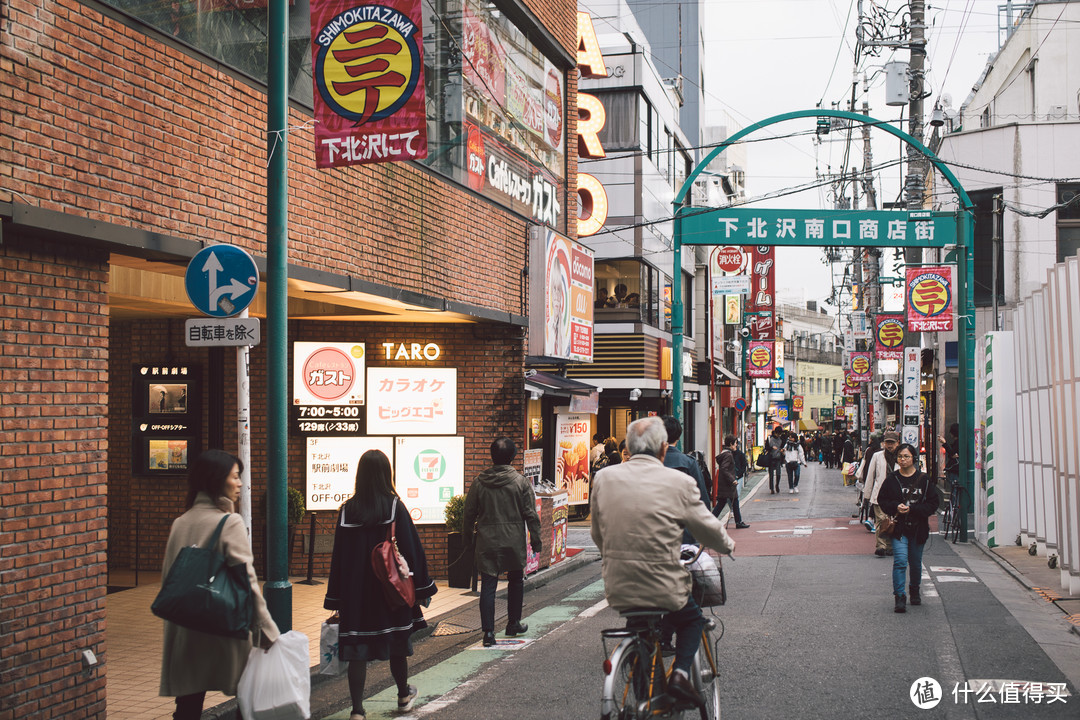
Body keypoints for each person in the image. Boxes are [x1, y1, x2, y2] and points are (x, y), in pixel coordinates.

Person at [590, 417, 736, 707]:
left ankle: (645, 699)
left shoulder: (604, 478)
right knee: (693, 620)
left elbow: (598, 533)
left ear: (628, 448)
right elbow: (705, 524)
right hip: (663, 584)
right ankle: (681, 675)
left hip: (618, 586)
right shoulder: (678, 480)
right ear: (662, 448)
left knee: (640, 628)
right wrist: (727, 545)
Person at [160, 450, 280, 720]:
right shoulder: (229, 522)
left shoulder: (181, 521)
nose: (239, 484)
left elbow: (169, 576)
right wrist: (266, 629)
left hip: (186, 628)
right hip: (223, 627)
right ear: (217, 480)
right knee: (247, 696)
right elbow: (247, 581)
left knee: (188, 704)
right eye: (235, 477)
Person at [325, 449, 437, 720]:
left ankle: (357, 711)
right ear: (387, 474)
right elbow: (412, 548)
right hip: (390, 592)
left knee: (357, 652)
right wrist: (422, 590)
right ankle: (402, 695)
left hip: (355, 594)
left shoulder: (346, 511)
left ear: (360, 475)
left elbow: (337, 558)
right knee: (398, 643)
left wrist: (336, 598)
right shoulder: (393, 506)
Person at [463, 437, 543, 648]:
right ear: (512, 457)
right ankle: (513, 623)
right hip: (513, 539)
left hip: (487, 541)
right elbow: (531, 514)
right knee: (515, 581)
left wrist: (466, 540)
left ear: (492, 456)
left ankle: (488, 632)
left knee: (488, 585)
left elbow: (468, 513)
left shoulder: (479, 482)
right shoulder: (520, 482)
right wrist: (536, 540)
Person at [877, 443, 940, 613]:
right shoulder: (892, 479)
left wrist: (913, 509)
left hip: (918, 528)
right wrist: (895, 507)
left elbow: (933, 503)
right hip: (899, 528)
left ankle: (914, 589)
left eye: (906, 456)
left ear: (913, 459)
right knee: (900, 561)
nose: (902, 460)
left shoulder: (924, 479)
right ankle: (899, 596)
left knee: (915, 562)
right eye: (900, 457)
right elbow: (882, 500)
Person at [661, 416, 712, 542]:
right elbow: (702, 499)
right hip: (685, 533)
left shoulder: (648, 463)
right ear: (678, 437)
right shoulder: (688, 463)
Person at [864, 431, 900, 557]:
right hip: (879, 494)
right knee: (881, 520)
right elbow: (870, 475)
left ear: (897, 443)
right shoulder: (877, 456)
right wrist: (867, 495)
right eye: (887, 442)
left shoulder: (901, 456)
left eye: (892, 443)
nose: (889, 445)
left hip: (896, 496)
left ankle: (890, 546)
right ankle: (881, 546)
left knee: (893, 521)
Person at [714, 434, 750, 528]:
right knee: (729, 502)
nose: (736, 446)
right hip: (728, 484)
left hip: (724, 484)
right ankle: (738, 522)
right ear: (731, 444)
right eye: (735, 444)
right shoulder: (729, 455)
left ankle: (738, 522)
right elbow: (724, 468)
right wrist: (732, 479)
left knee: (724, 503)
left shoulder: (724, 453)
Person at [765, 425, 786, 494]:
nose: (779, 435)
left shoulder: (781, 439)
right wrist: (771, 448)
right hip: (771, 458)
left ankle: (777, 485)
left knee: (778, 473)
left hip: (778, 458)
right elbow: (766, 448)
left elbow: (782, 447)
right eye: (778, 434)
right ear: (775, 433)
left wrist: (782, 450)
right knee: (771, 474)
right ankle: (771, 489)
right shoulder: (769, 438)